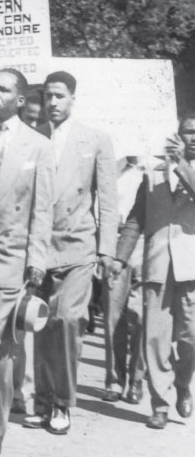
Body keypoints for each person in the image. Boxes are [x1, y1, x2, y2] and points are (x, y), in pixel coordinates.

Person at [24, 71, 116, 435]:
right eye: (48, 96)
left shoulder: (95, 140)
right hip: (40, 247)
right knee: (42, 323)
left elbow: (108, 202)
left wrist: (106, 251)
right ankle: (43, 400)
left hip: (79, 246)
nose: (53, 103)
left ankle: (62, 401)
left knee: (68, 320)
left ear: (73, 98)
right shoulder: (32, 139)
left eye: (60, 96)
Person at [0, 69, 54, 457]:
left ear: (20, 99)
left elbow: (42, 208)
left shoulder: (38, 146)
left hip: (10, 257)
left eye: (3, 89)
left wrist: (37, 260)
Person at [114, 117, 195, 429]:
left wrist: (180, 165)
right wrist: (119, 258)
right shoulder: (152, 171)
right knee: (155, 336)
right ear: (177, 133)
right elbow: (137, 217)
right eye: (189, 132)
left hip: (190, 267)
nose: (194, 138)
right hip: (157, 265)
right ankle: (159, 403)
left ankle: (184, 383)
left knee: (190, 338)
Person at [100, 156, 146, 404]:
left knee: (140, 317)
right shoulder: (111, 165)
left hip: (144, 244)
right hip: (114, 243)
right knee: (112, 316)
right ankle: (114, 380)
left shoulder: (156, 165)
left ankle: (137, 376)